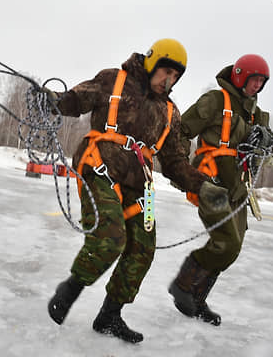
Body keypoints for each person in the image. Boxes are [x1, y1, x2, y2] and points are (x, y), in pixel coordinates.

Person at [45, 38, 231, 344]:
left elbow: (173, 162)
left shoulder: (170, 112)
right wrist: (54, 101)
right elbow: (76, 100)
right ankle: (70, 289)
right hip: (100, 166)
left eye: (175, 77)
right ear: (151, 63)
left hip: (139, 182)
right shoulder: (113, 81)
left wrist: (203, 186)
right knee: (111, 237)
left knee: (142, 249)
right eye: (165, 72)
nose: (168, 80)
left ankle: (110, 315)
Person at [168, 54, 273, 326]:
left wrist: (268, 146)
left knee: (232, 247)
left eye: (262, 82)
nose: (257, 86)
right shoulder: (215, 101)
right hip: (211, 183)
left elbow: (262, 154)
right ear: (240, 76)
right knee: (226, 242)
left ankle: (197, 297)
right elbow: (181, 130)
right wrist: (180, 168)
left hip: (238, 188)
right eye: (254, 80)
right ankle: (183, 285)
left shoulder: (258, 115)